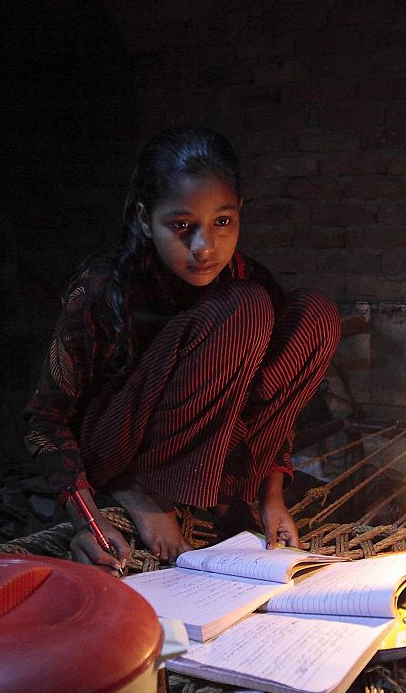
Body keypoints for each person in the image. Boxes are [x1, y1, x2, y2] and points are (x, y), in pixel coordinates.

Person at [23, 126, 340, 572]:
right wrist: (88, 521)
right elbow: (45, 419)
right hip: (119, 446)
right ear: (143, 218)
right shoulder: (103, 286)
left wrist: (272, 499)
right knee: (244, 308)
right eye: (182, 226)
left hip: (219, 451)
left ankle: (227, 489)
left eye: (222, 222)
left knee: (315, 313)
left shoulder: (247, 275)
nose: (204, 247)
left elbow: (277, 404)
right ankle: (147, 490)